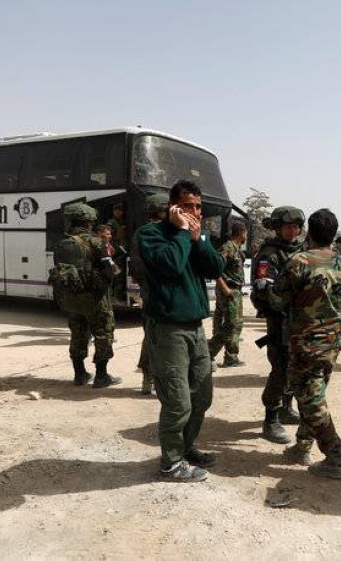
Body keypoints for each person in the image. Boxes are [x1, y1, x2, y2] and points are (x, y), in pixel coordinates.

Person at [136, 180, 224, 482]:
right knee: (177, 400)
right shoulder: (151, 235)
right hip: (168, 329)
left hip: (195, 328)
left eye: (198, 206)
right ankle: (171, 462)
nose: (195, 211)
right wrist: (185, 233)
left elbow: (215, 269)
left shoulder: (195, 236)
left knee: (202, 395)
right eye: (188, 206)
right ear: (173, 207)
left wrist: (200, 241)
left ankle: (186, 448)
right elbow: (171, 265)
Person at [275, 209, 341, 479]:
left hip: (304, 344)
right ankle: (301, 446)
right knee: (314, 395)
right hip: (331, 344)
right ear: (333, 234)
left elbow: (279, 298)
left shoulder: (298, 261)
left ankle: (335, 457)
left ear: (309, 232)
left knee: (310, 401)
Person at [49, 203, 121, 388]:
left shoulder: (62, 243)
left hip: (72, 297)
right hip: (95, 298)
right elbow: (110, 269)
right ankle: (101, 376)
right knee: (104, 333)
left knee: (78, 333)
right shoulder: (96, 242)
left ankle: (80, 374)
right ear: (89, 222)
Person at [251, 206, 306, 444]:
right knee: (281, 368)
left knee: (295, 367)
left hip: (300, 321)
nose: (293, 231)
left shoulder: (302, 251)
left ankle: (286, 407)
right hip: (280, 321)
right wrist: (287, 303)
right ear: (276, 228)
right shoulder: (270, 254)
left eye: (296, 226)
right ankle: (270, 418)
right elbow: (265, 290)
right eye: (287, 226)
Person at [130, 193, 169, 395]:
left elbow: (135, 270)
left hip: (148, 294)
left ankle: (148, 378)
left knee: (150, 336)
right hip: (168, 295)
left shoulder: (140, 233)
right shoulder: (169, 232)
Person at [208, 220, 248, 367]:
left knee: (236, 324)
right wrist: (225, 288)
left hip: (236, 291)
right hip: (229, 290)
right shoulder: (227, 248)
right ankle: (208, 352)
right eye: (246, 233)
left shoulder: (236, 249)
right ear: (242, 233)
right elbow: (215, 268)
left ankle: (231, 357)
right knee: (230, 324)